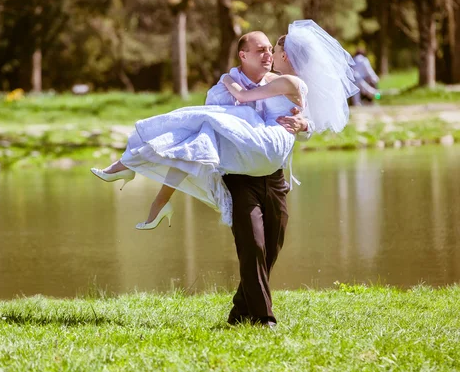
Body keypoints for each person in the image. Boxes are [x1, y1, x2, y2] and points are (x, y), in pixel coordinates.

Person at [92, 20, 358, 326]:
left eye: (272, 50)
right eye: (261, 50)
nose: (268, 55)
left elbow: (305, 120)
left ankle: (239, 311)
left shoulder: (280, 80)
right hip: (241, 178)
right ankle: (263, 319)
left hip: (274, 176)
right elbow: (208, 136)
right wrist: (230, 84)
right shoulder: (221, 91)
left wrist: (304, 125)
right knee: (252, 245)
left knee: (272, 246)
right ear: (243, 56)